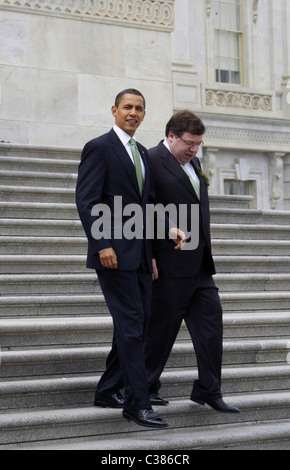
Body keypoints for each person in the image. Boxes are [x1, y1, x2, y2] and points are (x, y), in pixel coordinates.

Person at [75, 89, 184, 429]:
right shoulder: (99, 147)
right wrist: (101, 243)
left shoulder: (139, 152)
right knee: (134, 325)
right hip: (112, 255)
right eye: (127, 107)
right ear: (114, 110)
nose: (133, 112)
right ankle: (137, 403)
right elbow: (88, 200)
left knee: (137, 323)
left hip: (139, 255)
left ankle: (108, 390)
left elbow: (147, 206)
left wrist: (166, 232)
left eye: (139, 108)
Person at [145, 110, 240, 414]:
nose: (194, 150)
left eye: (198, 144)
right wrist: (150, 255)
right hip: (169, 263)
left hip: (199, 264)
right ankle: (145, 387)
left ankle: (209, 390)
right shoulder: (149, 160)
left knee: (211, 328)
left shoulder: (194, 163)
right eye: (189, 143)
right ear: (171, 135)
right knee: (162, 331)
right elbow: (142, 208)